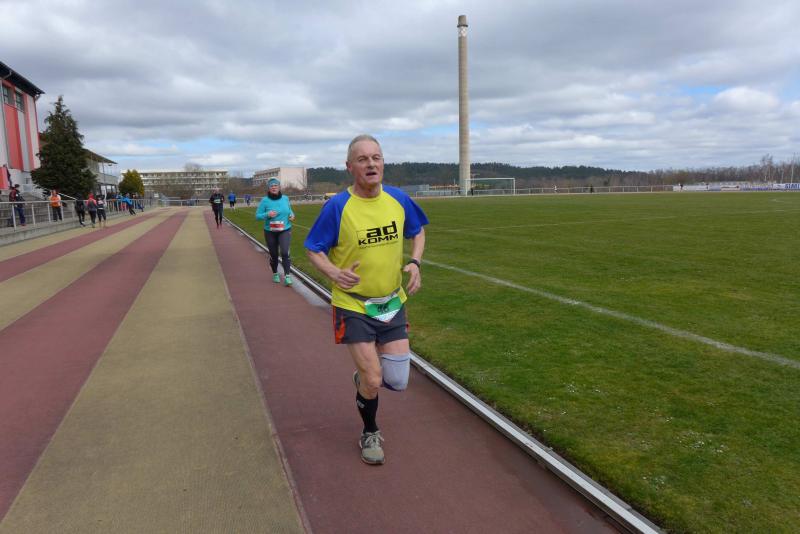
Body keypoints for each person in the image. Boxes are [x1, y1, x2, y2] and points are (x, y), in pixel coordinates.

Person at [305, 134, 428, 465]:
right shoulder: (337, 207)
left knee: (397, 381)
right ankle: (370, 431)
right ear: (350, 167)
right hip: (353, 304)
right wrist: (333, 272)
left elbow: (417, 231)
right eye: (363, 159)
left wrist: (415, 262)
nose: (371, 164)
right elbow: (313, 248)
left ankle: (364, 379)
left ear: (383, 162)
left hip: (392, 302)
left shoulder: (398, 198)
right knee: (375, 380)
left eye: (376, 157)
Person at [256, 178, 296, 286]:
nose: (274, 187)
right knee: (274, 255)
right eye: (272, 186)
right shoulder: (265, 200)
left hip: (285, 229)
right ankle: (275, 273)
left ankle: (287, 276)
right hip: (270, 232)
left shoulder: (285, 198)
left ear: (279, 187)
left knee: (285, 252)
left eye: (276, 185)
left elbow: (289, 210)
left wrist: (292, 215)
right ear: (269, 188)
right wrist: (267, 214)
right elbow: (257, 216)